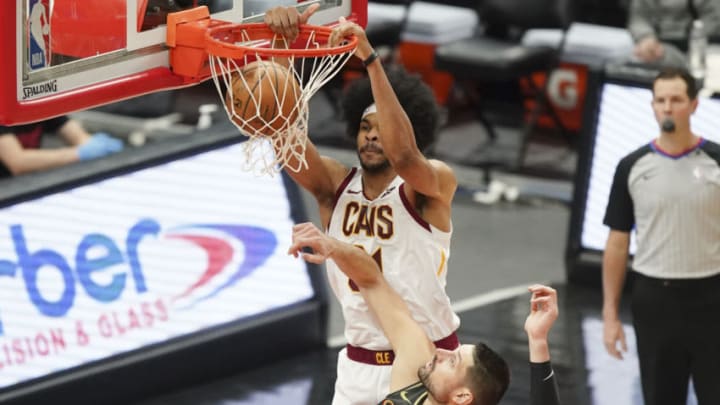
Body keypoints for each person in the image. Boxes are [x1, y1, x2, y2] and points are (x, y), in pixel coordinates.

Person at [264, 5, 461, 404]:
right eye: (365, 128)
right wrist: (278, 55)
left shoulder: (432, 183)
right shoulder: (335, 185)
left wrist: (371, 62)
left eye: (381, 128)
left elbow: (405, 158)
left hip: (430, 359)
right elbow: (285, 140)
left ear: (410, 130)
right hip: (358, 365)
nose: (372, 137)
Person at [288, 222, 562, 405]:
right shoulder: (414, 383)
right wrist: (334, 247)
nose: (440, 352)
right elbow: (372, 280)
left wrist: (538, 343)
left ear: (463, 396)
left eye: (451, 361)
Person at [601, 67, 720, 405]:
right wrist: (610, 315)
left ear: (694, 105)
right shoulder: (632, 166)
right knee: (660, 397)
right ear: (653, 106)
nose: (668, 107)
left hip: (712, 296)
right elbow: (617, 243)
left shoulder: (716, 160)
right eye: (661, 100)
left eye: (677, 100)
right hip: (655, 299)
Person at [0, 115, 123, 178]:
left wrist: (96, 146)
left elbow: (79, 137)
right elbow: (17, 162)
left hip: (23, 183)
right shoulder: (3, 107)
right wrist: (79, 153)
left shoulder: (39, 102)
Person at [628, 0, 720, 67]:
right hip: (655, 42)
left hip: (693, 44)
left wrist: (694, 34)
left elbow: (714, 19)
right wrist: (646, 38)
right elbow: (638, 19)